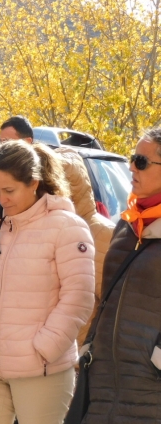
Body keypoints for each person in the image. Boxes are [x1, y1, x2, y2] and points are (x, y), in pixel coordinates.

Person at [0, 140, 95, 424]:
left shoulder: (67, 226)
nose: (2, 199)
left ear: (33, 183)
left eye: (9, 190)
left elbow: (78, 297)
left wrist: (45, 348)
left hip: (42, 368)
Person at [0, 117, 114, 344]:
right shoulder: (16, 229)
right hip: (28, 358)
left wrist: (89, 351)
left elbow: (115, 306)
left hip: (79, 360)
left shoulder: (100, 233)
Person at [82, 127, 161, 423]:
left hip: (151, 388)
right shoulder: (127, 225)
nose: (131, 167)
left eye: (141, 161)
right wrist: (91, 343)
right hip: (105, 381)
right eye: (132, 158)